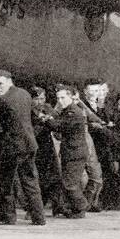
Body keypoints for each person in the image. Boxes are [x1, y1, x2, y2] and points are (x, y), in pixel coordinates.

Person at [0, 70, 45, 226]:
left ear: (9, 81)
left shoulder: (4, 100)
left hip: (12, 149)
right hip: (29, 145)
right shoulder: (25, 94)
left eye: (0, 83)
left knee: (6, 183)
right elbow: (31, 117)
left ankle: (7, 217)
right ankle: (39, 218)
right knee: (31, 182)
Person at [41, 85, 91, 218]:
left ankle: (81, 208)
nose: (60, 101)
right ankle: (71, 207)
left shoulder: (73, 112)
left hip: (75, 153)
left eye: (63, 97)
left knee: (70, 184)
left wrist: (47, 119)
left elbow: (59, 126)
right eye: (58, 98)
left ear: (71, 97)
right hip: (71, 151)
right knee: (69, 181)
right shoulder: (68, 110)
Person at [30, 86, 65, 215]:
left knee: (55, 176)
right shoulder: (27, 111)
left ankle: (58, 206)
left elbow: (56, 125)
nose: (40, 102)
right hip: (34, 148)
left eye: (43, 98)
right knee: (38, 179)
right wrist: (40, 121)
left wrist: (48, 120)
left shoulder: (47, 108)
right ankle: (36, 208)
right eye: (37, 99)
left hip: (47, 147)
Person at [76, 79, 107, 212]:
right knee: (82, 178)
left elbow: (97, 118)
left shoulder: (97, 105)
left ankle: (89, 203)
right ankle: (81, 204)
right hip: (83, 143)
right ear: (85, 92)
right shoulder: (80, 105)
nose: (95, 94)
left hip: (95, 145)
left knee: (96, 177)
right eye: (92, 91)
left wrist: (101, 123)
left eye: (97, 91)